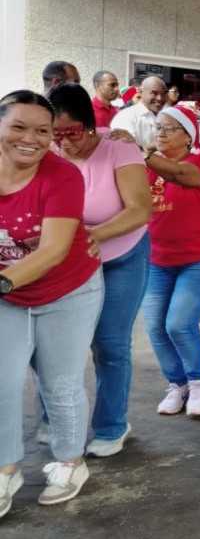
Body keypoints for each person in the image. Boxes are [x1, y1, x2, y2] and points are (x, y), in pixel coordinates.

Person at [0, 91, 102, 515]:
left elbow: (54, 249)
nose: (31, 139)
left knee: (60, 383)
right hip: (8, 295)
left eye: (42, 130)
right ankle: (6, 469)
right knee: (1, 380)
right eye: (18, 127)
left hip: (67, 289)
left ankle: (70, 462)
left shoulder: (62, 175)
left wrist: (3, 282)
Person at [47, 83, 152, 457]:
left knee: (110, 343)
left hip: (122, 254)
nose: (64, 142)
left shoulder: (118, 147)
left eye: (71, 133)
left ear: (89, 125)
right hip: (71, 259)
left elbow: (140, 209)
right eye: (55, 134)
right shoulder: (50, 152)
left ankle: (112, 426)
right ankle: (54, 420)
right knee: (57, 343)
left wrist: (92, 235)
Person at [141, 105, 200, 419]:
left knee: (178, 324)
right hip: (158, 259)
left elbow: (179, 175)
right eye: (158, 127)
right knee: (155, 326)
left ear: (188, 136)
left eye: (169, 128)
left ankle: (198, 383)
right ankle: (177, 384)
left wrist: (142, 154)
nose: (161, 133)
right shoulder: (147, 166)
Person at [111, 75, 168, 147]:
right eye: (154, 93)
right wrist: (153, 147)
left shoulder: (166, 117)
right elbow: (126, 149)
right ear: (141, 92)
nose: (160, 98)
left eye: (164, 94)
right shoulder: (126, 116)